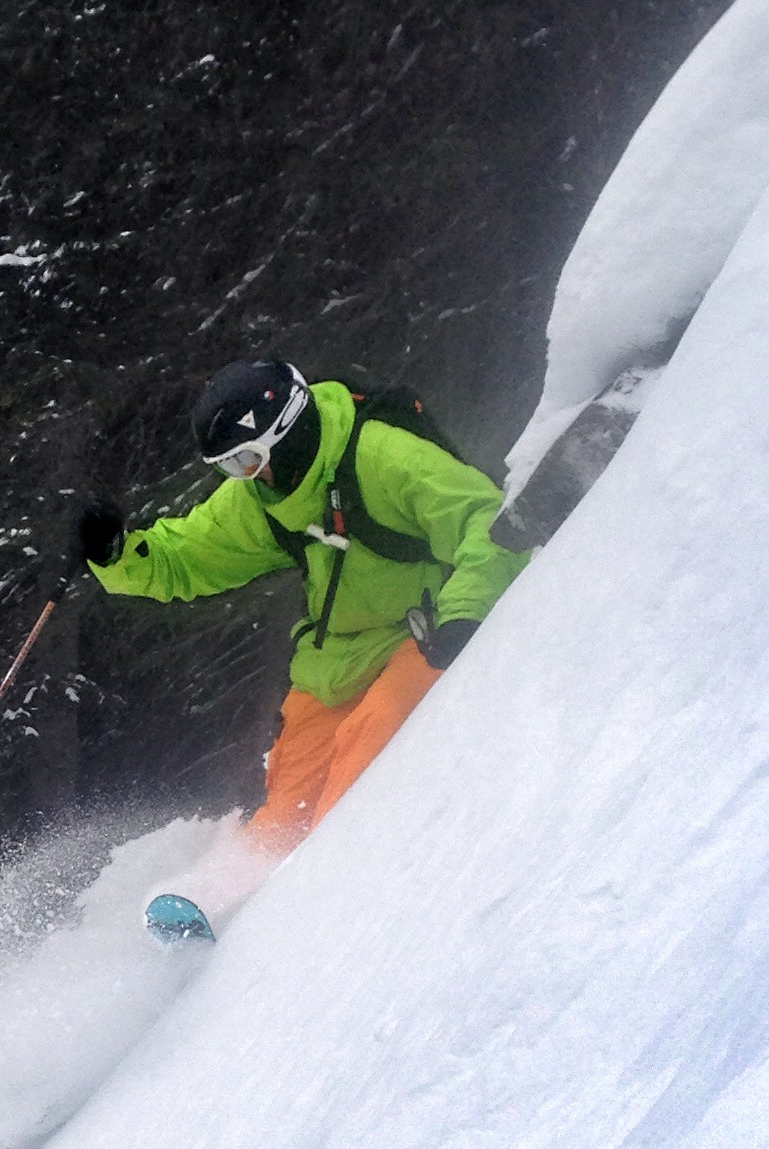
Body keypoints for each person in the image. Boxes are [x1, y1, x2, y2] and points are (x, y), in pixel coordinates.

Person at [73, 359, 526, 868]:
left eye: (246, 460)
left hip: (427, 632)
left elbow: (486, 520)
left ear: (284, 432)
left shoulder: (382, 456)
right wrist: (115, 555)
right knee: (289, 806)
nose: (245, 477)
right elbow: (190, 556)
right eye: (228, 467)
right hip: (337, 659)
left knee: (367, 755)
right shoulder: (264, 497)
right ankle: (243, 894)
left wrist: (464, 613)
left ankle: (330, 884)